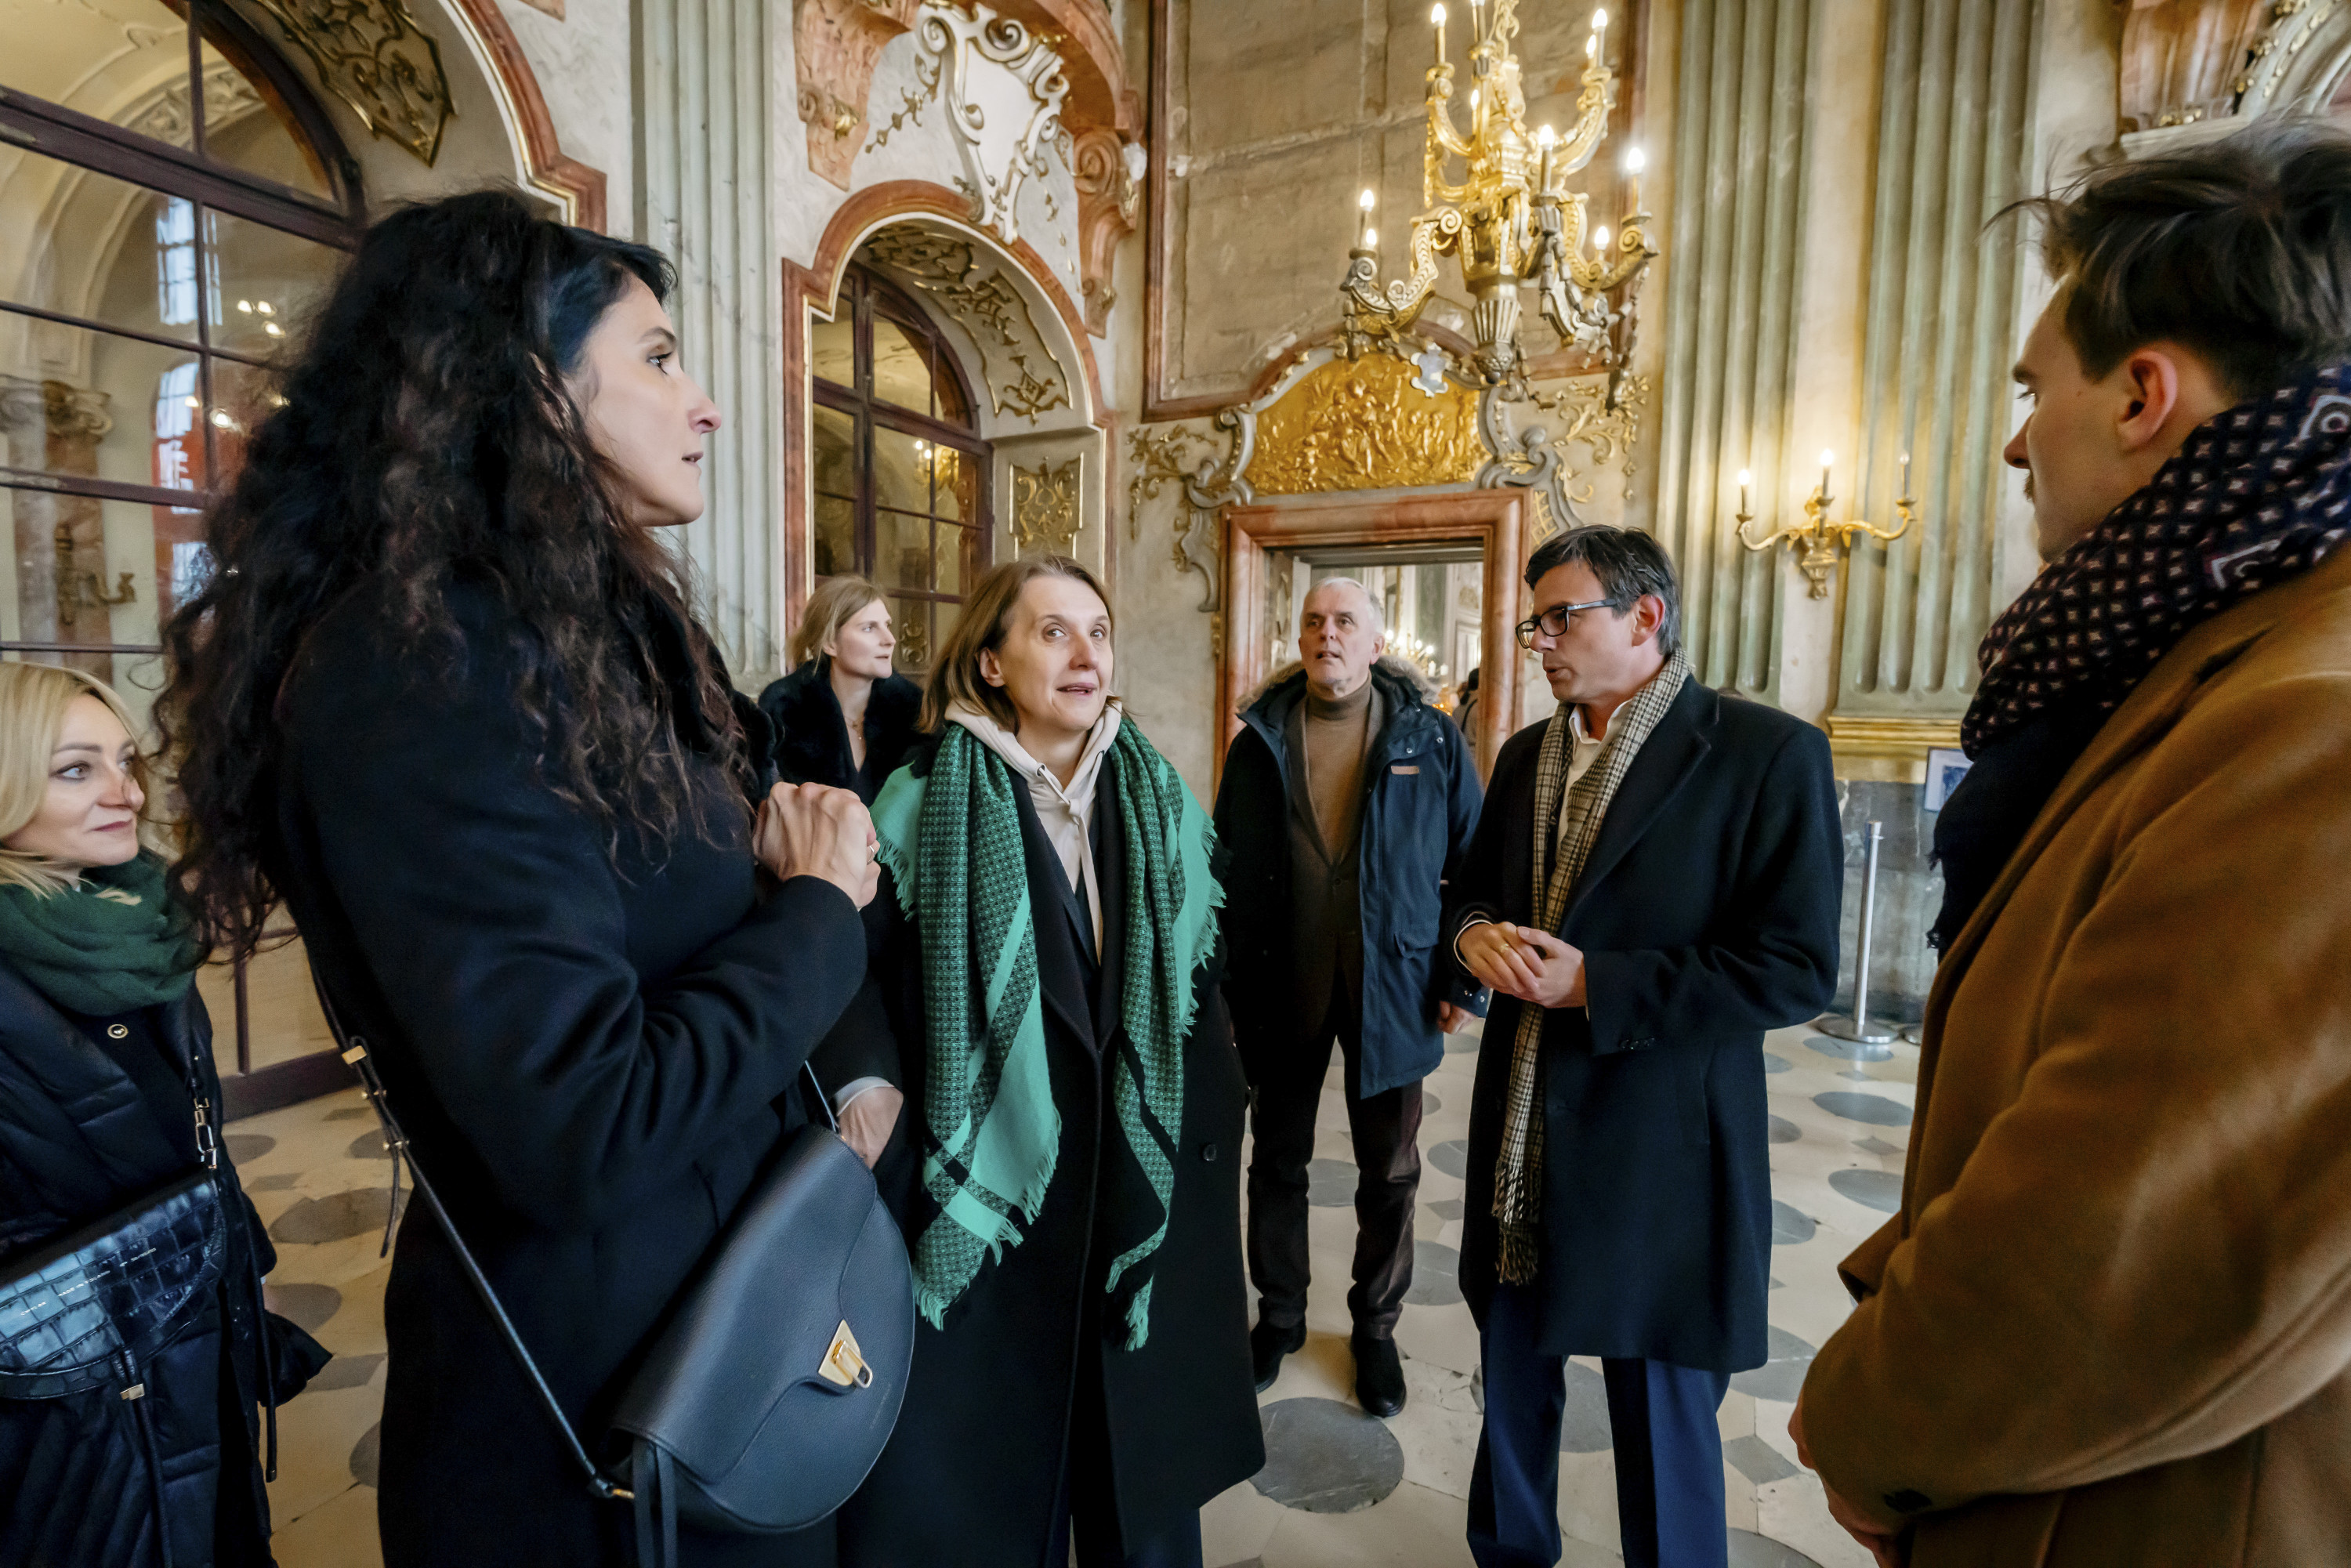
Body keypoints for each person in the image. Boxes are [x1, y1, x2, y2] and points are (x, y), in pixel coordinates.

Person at [156, 190, 879, 1567]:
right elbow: (587, 1124)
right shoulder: (421, 668)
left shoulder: (574, 634)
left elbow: (674, 921)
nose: (707, 404)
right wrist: (817, 913)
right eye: (658, 357)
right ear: (532, 388)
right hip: (603, 1415)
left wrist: (830, 1010)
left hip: (717, 1325)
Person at [1794, 121, 2351, 1568]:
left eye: (2034, 388)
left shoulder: (2314, 722)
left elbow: (2123, 1249)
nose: (2014, 438)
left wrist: (1869, 1429)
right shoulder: (2214, 650)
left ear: (2145, 396)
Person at [827, 556, 1262, 1568]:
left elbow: (1204, 972)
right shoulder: (919, 801)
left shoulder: (1159, 796)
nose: (1084, 653)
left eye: (1097, 632)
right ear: (991, 663)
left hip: (1140, 1185)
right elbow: (843, 965)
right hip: (1004, 1202)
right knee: (1000, 1491)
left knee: (1142, 1496)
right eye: (1053, 631)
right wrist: (865, 1079)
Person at [1446, 526, 1842, 1568]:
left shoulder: (1764, 754)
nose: (1540, 640)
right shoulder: (1525, 755)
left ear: (1646, 616)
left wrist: (1598, 985)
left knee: (1662, 1419)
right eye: (1534, 622)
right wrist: (1472, 935)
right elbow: (1472, 892)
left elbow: (1796, 967)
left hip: (1661, 1147)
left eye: (1561, 617)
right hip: (1523, 1138)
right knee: (1512, 1383)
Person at [0, 663, 328, 1567]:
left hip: (191, 1344)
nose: (127, 793)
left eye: (127, 762)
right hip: (62, 1403)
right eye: (77, 770)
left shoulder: (141, 933)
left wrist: (243, 1260)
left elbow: (194, 1135)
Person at [1212, 576, 1482, 1415]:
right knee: (1276, 1161)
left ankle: (1376, 1328)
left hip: (1394, 983)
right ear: (1299, 639)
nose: (1327, 634)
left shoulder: (1429, 738)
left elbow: (1472, 864)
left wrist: (1462, 976)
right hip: (1280, 981)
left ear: (1376, 642)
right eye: (1314, 622)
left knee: (1391, 1171)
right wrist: (1222, 990)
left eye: (1345, 622)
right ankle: (1280, 1315)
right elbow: (1224, 869)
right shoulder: (1258, 742)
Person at [759, 574, 923, 802]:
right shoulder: (782, 709)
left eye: (887, 625)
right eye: (869, 628)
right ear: (830, 643)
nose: (890, 639)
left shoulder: (918, 714)